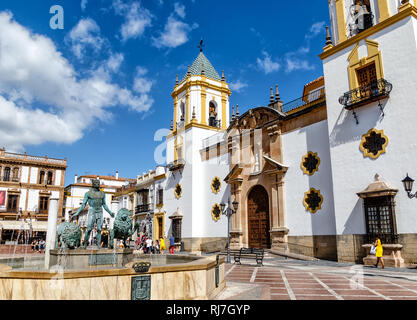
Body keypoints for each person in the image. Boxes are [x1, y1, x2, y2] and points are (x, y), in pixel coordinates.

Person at [70, 179, 115, 249]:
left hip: (100, 211)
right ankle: (85, 244)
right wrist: (77, 213)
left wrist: (110, 212)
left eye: (98, 183)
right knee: (89, 228)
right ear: (93, 184)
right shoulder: (88, 193)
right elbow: (83, 205)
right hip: (92, 210)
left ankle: (99, 245)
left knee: (99, 229)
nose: (98, 184)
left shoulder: (102, 194)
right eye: (96, 183)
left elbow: (104, 205)